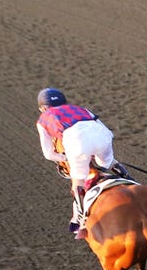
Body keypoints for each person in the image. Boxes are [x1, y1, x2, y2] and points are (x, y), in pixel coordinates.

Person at [36, 87, 121, 237]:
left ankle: (80, 220)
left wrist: (65, 157)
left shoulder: (43, 119)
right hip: (102, 135)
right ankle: (131, 181)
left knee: (78, 182)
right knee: (110, 163)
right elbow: (108, 132)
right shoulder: (82, 109)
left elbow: (48, 154)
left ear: (42, 108)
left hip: (76, 142)